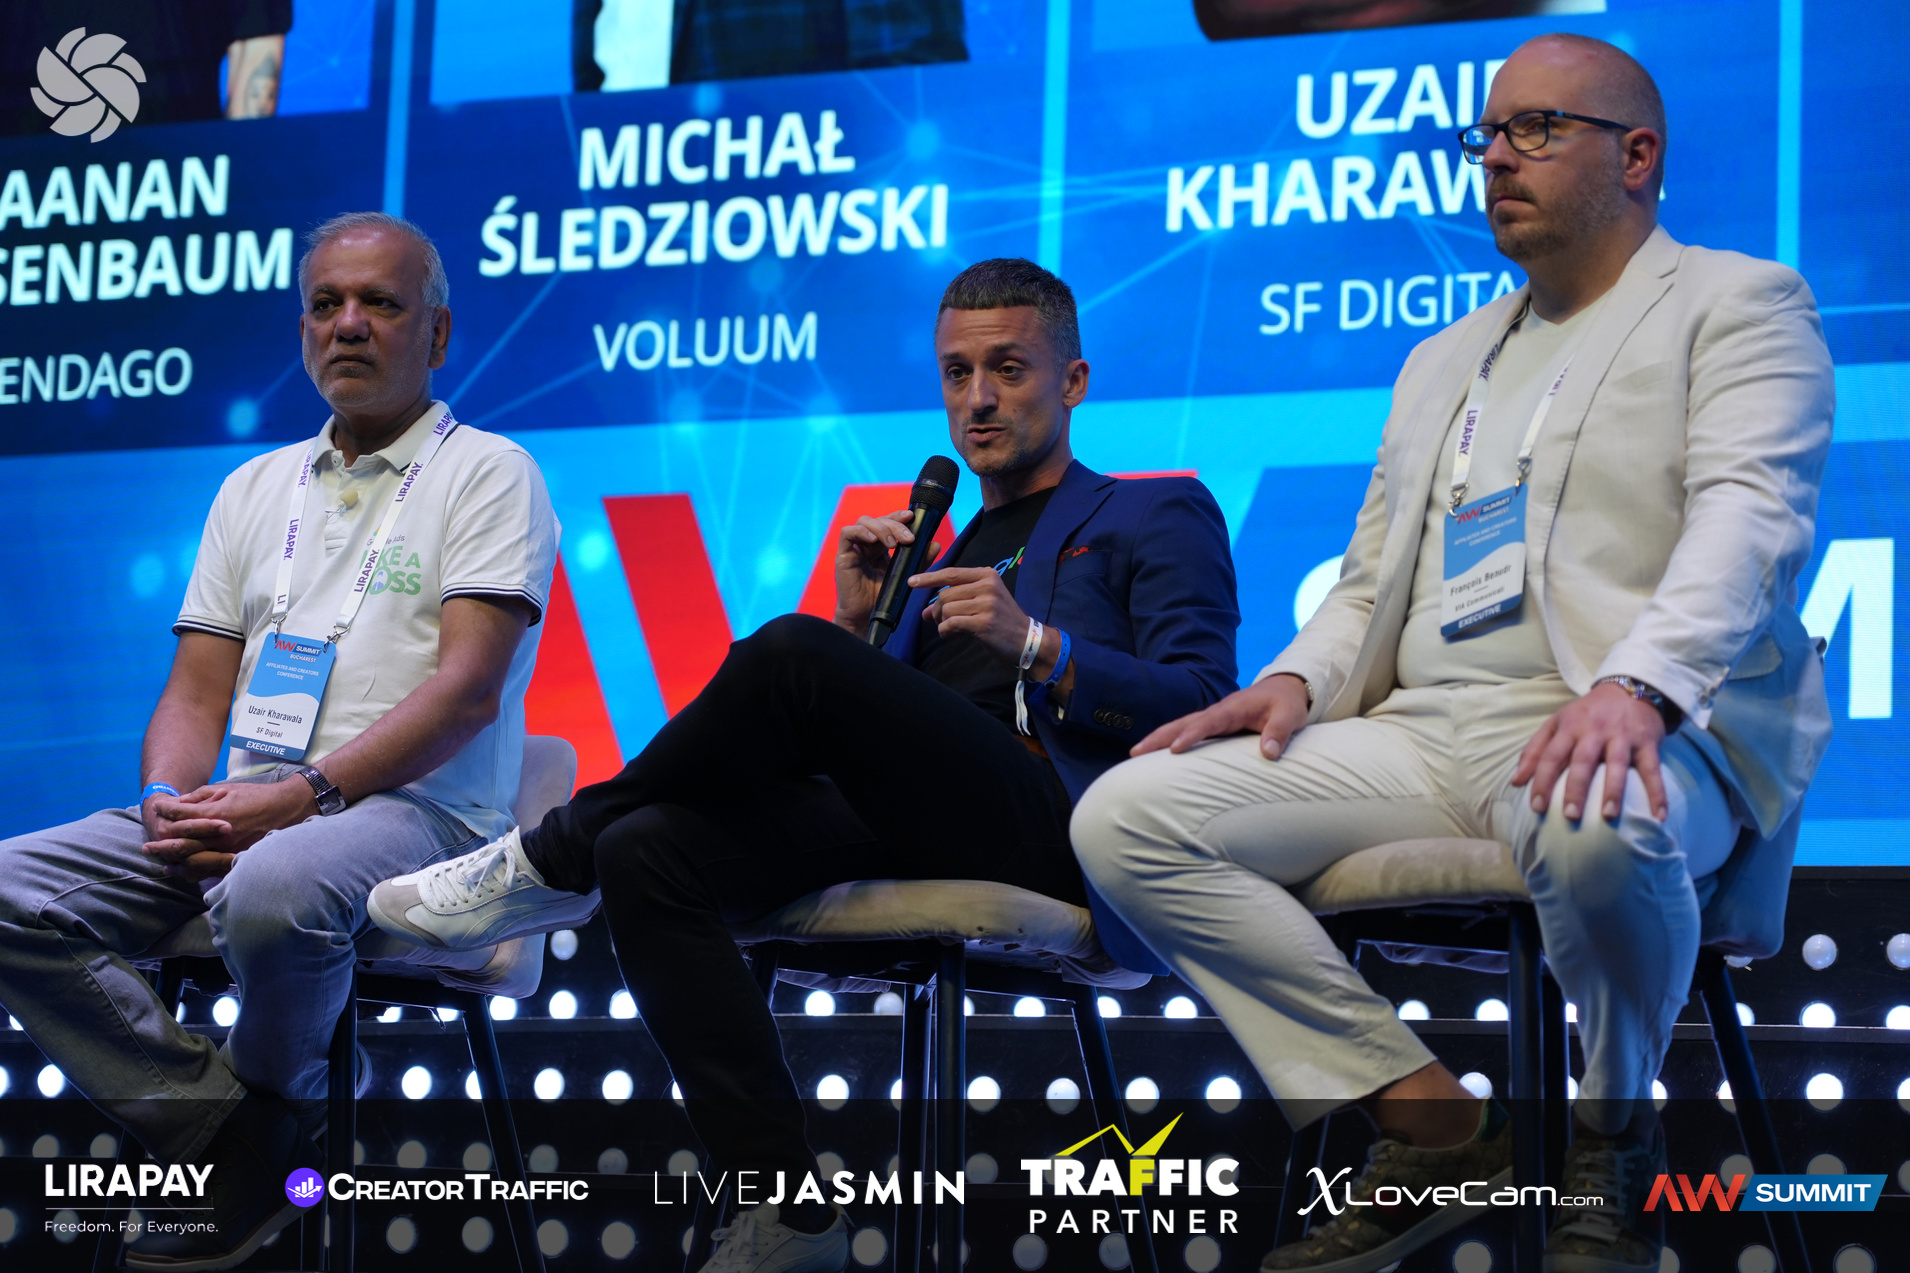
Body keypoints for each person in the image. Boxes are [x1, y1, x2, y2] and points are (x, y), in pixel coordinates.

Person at [1072, 33, 1832, 1273]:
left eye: (1536, 129)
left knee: (1593, 811)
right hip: (1424, 733)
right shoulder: (1441, 358)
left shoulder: (1736, 303)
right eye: (1487, 133)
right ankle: (1430, 1123)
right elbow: (1369, 579)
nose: (1495, 158)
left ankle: (1609, 1134)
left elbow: (1749, 519)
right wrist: (1291, 681)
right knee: (1127, 817)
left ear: (1636, 156)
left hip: (1643, 718)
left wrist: (1634, 685)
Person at [364, 258, 1240, 1273]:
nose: (978, 399)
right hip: (917, 815)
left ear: (1074, 380)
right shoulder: (935, 551)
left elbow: (1198, 699)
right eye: (956, 373)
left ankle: (545, 856)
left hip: (1057, 820)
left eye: (1008, 369)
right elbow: (887, 730)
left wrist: (1037, 644)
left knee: (788, 651)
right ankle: (783, 1203)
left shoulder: (1154, 511)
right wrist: (860, 628)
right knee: (646, 850)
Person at [0, 212, 558, 1271]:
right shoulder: (254, 488)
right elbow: (195, 690)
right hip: (252, 808)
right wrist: (168, 796)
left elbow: (466, 694)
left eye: (380, 303)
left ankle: (273, 1109)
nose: (347, 324)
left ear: (437, 334)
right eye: (324, 304)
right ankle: (231, 1129)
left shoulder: (490, 472)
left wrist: (298, 799)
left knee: (275, 885)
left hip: (424, 816)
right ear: (302, 327)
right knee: (8, 889)